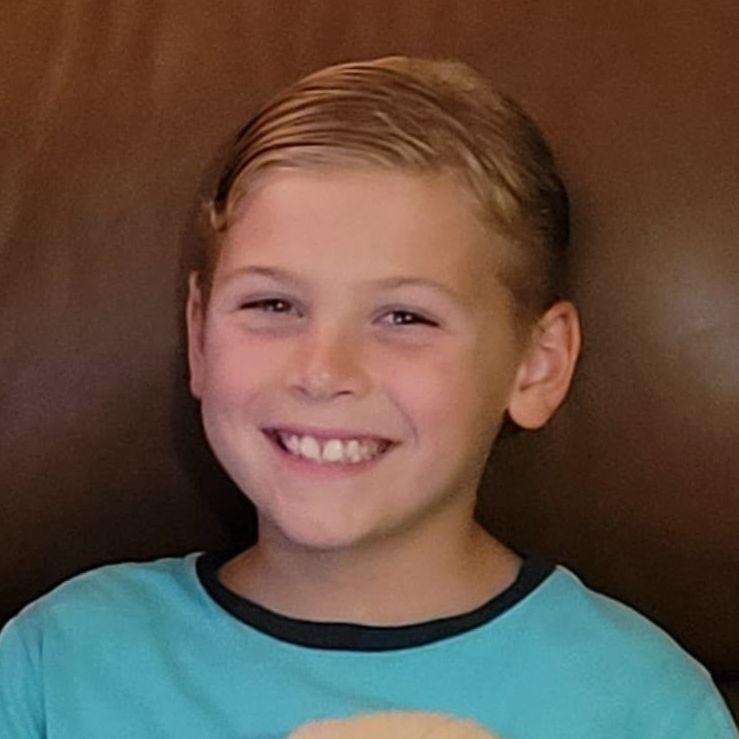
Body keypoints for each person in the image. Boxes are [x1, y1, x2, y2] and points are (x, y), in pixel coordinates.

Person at [0, 55, 736, 738]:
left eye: (404, 317)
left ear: (535, 366)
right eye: (272, 305)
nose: (323, 371)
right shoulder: (58, 661)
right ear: (199, 336)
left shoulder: (644, 704)